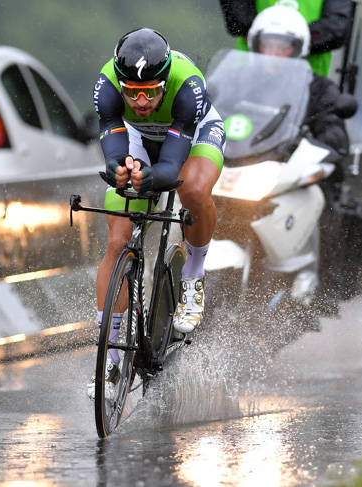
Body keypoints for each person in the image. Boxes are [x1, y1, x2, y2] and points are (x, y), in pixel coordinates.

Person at [89, 28, 226, 394]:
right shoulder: (105, 86)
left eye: (150, 90)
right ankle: (109, 359)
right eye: (132, 93)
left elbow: (171, 167)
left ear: (165, 80)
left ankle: (193, 276)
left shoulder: (188, 87)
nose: (142, 101)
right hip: (138, 137)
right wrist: (121, 170)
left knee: (194, 190)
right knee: (117, 241)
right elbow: (115, 148)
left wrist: (151, 177)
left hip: (190, 135)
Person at [248, 5, 352, 312]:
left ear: (299, 49)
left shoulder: (317, 88)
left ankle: (316, 279)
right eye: (269, 45)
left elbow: (334, 134)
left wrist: (310, 150)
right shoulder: (242, 82)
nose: (275, 53)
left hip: (286, 176)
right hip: (245, 172)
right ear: (256, 45)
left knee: (320, 195)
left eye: (285, 46)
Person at [218, 0, 353, 77]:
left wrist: (292, 43)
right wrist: (257, 33)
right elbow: (237, 19)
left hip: (306, 83)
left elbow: (337, 28)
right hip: (250, 75)